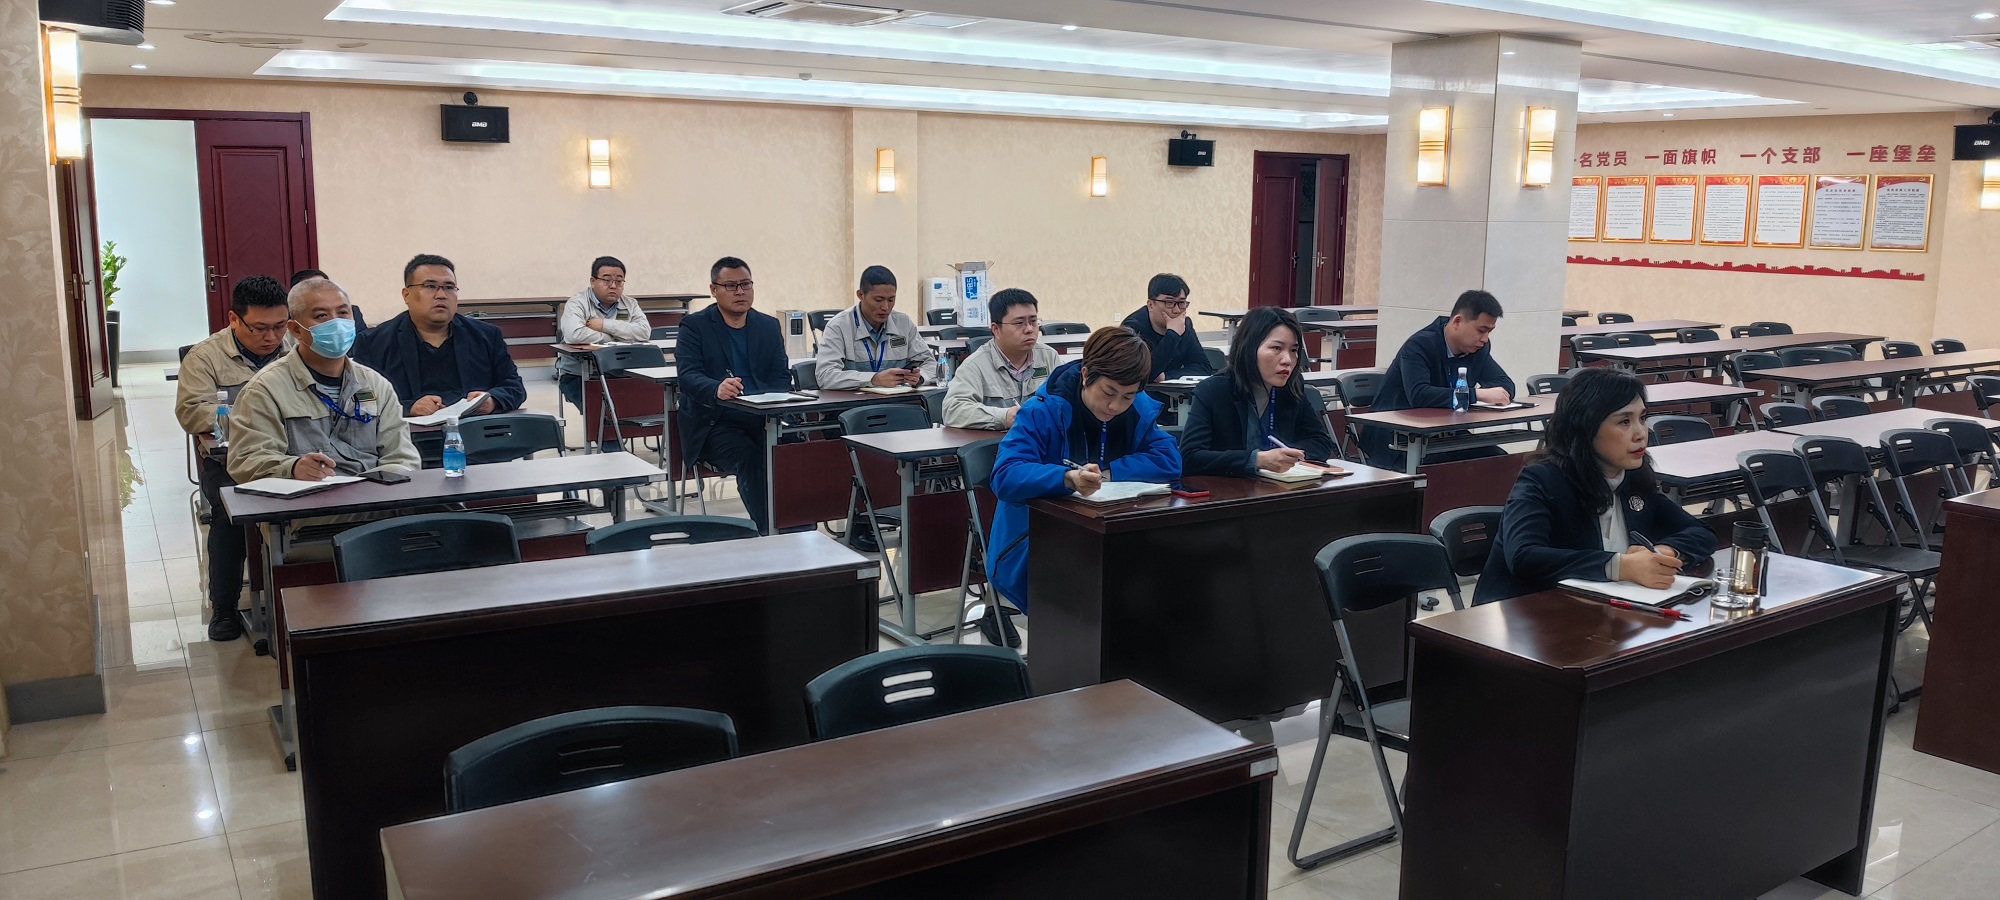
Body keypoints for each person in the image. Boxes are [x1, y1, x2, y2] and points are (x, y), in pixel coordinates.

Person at [988, 327, 1182, 645]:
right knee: (1102, 602)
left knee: (1168, 582)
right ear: (1086, 374)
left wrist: (1109, 472)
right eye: (1108, 393)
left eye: (1128, 396)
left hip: (1112, 538)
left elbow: (1169, 461)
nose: (1115, 406)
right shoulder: (1043, 411)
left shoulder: (1137, 411)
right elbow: (1006, 475)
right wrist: (1066, 479)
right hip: (1039, 542)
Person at [1473, 367, 1714, 605]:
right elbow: (1524, 557)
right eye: (1624, 421)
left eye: (1642, 418)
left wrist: (1664, 552)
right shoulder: (1542, 479)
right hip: (1522, 614)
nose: (1641, 433)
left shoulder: (1633, 477)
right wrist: (1620, 566)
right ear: (1586, 428)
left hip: (1597, 611)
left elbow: (1701, 533)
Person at [176, 275, 290, 641]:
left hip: (291, 455)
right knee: (229, 515)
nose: (272, 337)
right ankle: (224, 607)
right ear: (233, 319)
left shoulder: (296, 349)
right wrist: (256, 414)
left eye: (280, 326)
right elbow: (192, 413)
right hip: (229, 462)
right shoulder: (205, 357)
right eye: (259, 328)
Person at [228, 277, 420, 486]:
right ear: (296, 330)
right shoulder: (265, 389)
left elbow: (402, 457)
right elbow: (247, 461)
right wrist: (292, 467)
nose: (336, 323)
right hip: (307, 500)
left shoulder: (375, 384)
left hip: (373, 497)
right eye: (321, 316)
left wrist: (383, 485)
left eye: (343, 313)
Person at [675, 257, 790, 533]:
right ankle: (770, 531)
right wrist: (716, 388)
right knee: (750, 457)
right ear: (713, 290)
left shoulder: (768, 326)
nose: (740, 292)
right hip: (716, 422)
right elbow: (687, 376)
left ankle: (801, 526)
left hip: (763, 418)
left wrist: (773, 401)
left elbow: (781, 377)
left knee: (799, 448)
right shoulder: (694, 326)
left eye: (746, 284)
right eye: (731, 286)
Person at [353, 254, 525, 425]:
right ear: (406, 295)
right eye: (430, 286)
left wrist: (493, 400)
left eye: (449, 287)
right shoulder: (373, 343)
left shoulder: (486, 335)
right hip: (408, 436)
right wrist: (408, 407)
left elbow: (514, 386)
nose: (441, 295)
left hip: (475, 432)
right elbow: (362, 399)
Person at [1360, 289, 1518, 470]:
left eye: (1489, 332)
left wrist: (1498, 394)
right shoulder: (1419, 345)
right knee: (1442, 469)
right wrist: (1476, 395)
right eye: (1481, 330)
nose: (1485, 339)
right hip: (1398, 438)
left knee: (1498, 460)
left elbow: (1505, 385)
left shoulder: (1478, 349)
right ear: (1457, 322)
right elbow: (1419, 395)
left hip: (1444, 433)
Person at [1179, 306, 1334, 476]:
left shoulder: (1291, 387)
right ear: (1250, 348)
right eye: (1277, 348)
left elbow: (1321, 442)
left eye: (1293, 350)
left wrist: (1287, 456)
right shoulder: (1214, 391)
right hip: (1229, 487)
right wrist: (1257, 460)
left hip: (1279, 486)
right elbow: (1190, 457)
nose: (1287, 360)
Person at [943, 287, 1061, 430]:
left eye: (1033, 321)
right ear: (996, 329)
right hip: (998, 443)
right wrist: (1004, 417)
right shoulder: (975, 365)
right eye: (1019, 323)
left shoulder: (1049, 357)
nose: (1029, 329)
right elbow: (952, 410)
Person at [813, 265, 937, 391]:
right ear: (861, 295)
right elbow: (825, 376)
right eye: (878, 300)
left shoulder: (904, 324)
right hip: (853, 401)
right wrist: (873, 379)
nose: (885, 307)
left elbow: (930, 363)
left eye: (891, 300)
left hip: (898, 399)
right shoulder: (838, 327)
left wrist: (920, 377)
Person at [557, 255, 652, 413]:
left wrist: (604, 325)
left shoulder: (630, 304)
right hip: (579, 375)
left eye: (619, 281)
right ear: (593, 281)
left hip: (621, 372)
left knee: (646, 405)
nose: (613, 286)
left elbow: (644, 332)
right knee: (603, 414)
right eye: (607, 280)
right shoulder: (577, 303)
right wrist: (616, 336)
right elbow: (575, 335)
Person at [1119, 273, 1213, 383]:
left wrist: (1167, 376)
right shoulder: (1132, 327)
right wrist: (1173, 335)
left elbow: (1203, 367)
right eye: (1169, 302)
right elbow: (1141, 374)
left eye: (1181, 302)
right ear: (1151, 305)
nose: (1177, 310)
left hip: (1172, 391)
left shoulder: (1184, 325)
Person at [291, 269, 365, 331]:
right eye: (321, 315)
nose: (334, 320)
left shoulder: (353, 311)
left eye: (342, 313)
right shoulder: (290, 322)